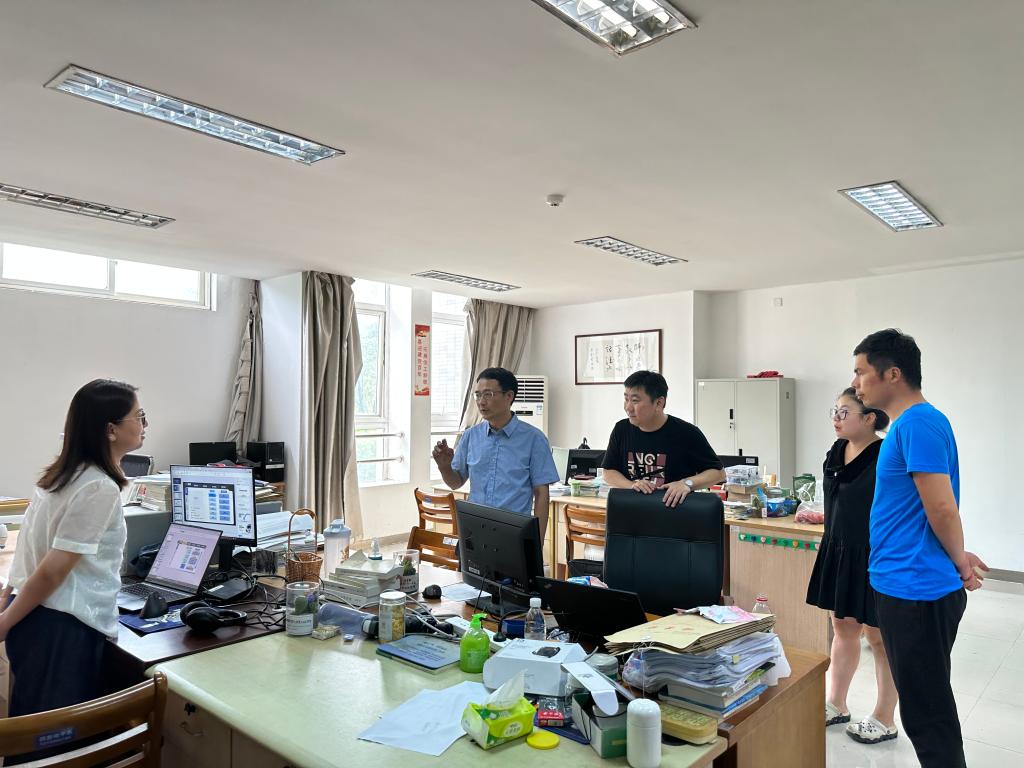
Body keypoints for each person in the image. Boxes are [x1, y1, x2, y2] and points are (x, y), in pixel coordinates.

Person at [852, 329, 986, 768]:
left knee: (928, 717)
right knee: (925, 707)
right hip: (906, 582)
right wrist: (956, 555)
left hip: (916, 590)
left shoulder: (918, 423)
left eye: (861, 372)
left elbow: (941, 508)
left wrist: (960, 563)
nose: (855, 383)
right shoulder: (912, 425)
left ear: (892, 374)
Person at [0, 380, 145, 725]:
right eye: (138, 416)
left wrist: (7, 602)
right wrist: (4, 622)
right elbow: (53, 570)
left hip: (34, 617)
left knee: (35, 727)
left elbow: (28, 548)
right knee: (55, 738)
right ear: (111, 430)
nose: (143, 425)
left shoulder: (61, 475)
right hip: (62, 626)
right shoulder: (98, 487)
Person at [806, 388, 899, 745]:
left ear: (870, 418)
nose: (836, 417)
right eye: (834, 410)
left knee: (879, 637)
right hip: (840, 549)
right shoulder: (837, 450)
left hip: (875, 555)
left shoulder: (885, 454)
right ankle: (836, 703)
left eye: (844, 412)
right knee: (843, 626)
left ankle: (885, 717)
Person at [432, 367, 559, 538]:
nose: (481, 402)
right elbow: (455, 483)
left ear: (509, 396)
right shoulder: (470, 436)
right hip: (474, 530)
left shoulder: (534, 439)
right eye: (478, 395)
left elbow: (542, 494)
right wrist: (444, 467)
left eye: (488, 394)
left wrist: (537, 542)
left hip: (513, 532)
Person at [602, 370, 725, 507]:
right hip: (632, 510)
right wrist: (632, 485)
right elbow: (608, 471)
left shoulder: (687, 433)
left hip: (673, 512)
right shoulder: (621, 429)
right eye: (626, 399)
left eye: (635, 401)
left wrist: (686, 483)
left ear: (659, 403)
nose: (628, 408)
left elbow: (718, 473)